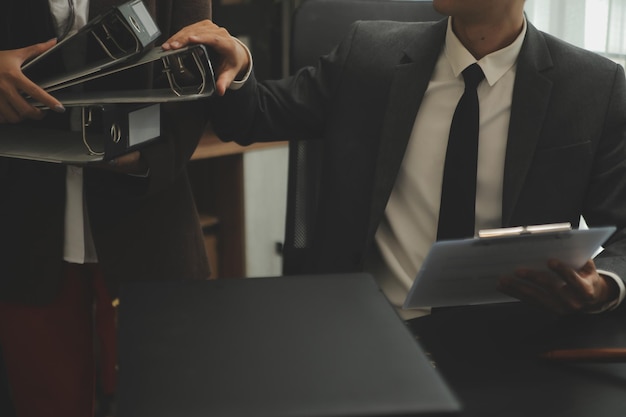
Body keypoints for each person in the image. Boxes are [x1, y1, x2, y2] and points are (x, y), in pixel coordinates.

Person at [163, 0, 626, 318]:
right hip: (371, 329)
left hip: (511, 341)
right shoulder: (369, 55)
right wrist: (238, 63)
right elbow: (255, 115)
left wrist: (603, 287)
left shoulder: (593, 88)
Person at [0, 1, 211, 416]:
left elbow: (195, 71)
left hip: (148, 227)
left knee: (163, 399)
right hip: (23, 232)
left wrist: (148, 159)